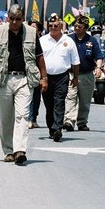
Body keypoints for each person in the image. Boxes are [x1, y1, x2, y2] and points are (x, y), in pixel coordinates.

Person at [0, 4, 47, 165]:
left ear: (23, 18)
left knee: (22, 115)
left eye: (18, 19)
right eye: (12, 19)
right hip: (3, 79)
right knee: (6, 117)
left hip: (25, 79)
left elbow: (39, 57)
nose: (15, 22)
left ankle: (20, 150)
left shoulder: (31, 32)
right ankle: (9, 150)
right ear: (7, 18)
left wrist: (44, 77)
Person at [40, 14, 80, 142]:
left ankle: (57, 128)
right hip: (46, 77)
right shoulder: (42, 40)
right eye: (50, 26)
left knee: (59, 101)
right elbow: (37, 59)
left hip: (62, 76)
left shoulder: (68, 41)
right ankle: (51, 128)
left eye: (56, 26)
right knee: (49, 105)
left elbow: (75, 62)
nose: (53, 28)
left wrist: (75, 78)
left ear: (61, 26)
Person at [63, 16, 103, 132]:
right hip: (71, 74)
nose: (77, 28)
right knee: (70, 97)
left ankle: (82, 122)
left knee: (85, 101)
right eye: (75, 26)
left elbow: (99, 56)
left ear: (85, 28)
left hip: (87, 74)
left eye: (79, 27)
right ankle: (69, 121)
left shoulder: (91, 41)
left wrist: (98, 67)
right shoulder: (69, 39)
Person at [27, 20, 44, 129]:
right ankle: (28, 118)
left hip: (38, 72)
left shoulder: (43, 41)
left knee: (36, 97)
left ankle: (33, 118)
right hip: (27, 71)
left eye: (34, 27)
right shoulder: (25, 39)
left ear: (39, 31)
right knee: (27, 96)